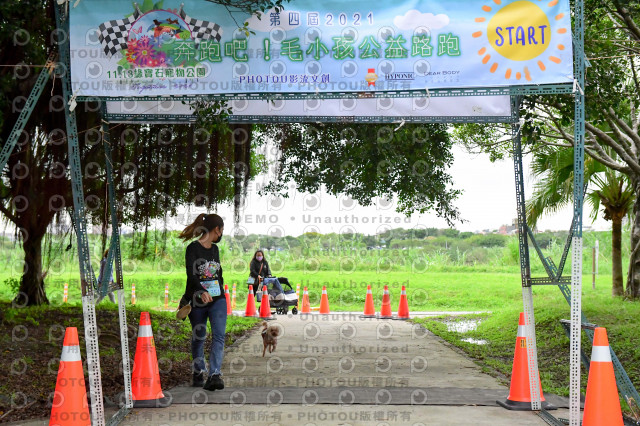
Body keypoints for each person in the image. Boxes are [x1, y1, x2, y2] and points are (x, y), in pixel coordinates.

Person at [178, 213, 226, 391]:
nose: (221, 234)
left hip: (217, 299)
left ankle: (214, 374)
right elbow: (191, 275)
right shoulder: (193, 248)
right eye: (222, 230)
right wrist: (202, 291)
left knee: (219, 335)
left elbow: (217, 274)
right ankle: (198, 371)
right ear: (217, 229)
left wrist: (219, 291)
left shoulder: (215, 249)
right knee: (199, 336)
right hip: (197, 299)